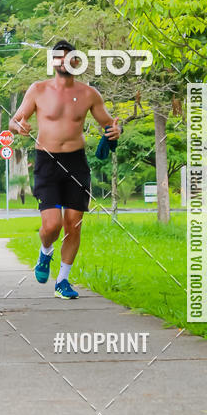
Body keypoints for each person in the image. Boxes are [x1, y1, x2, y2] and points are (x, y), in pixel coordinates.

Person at [9, 40, 121, 300]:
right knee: (52, 225)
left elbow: (109, 124)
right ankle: (45, 252)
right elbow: (14, 121)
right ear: (52, 62)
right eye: (58, 57)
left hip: (76, 163)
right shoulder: (38, 90)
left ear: (76, 61)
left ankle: (62, 280)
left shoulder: (89, 94)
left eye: (69, 57)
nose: (64, 61)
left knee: (74, 225)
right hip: (46, 162)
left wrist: (116, 131)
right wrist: (19, 127)